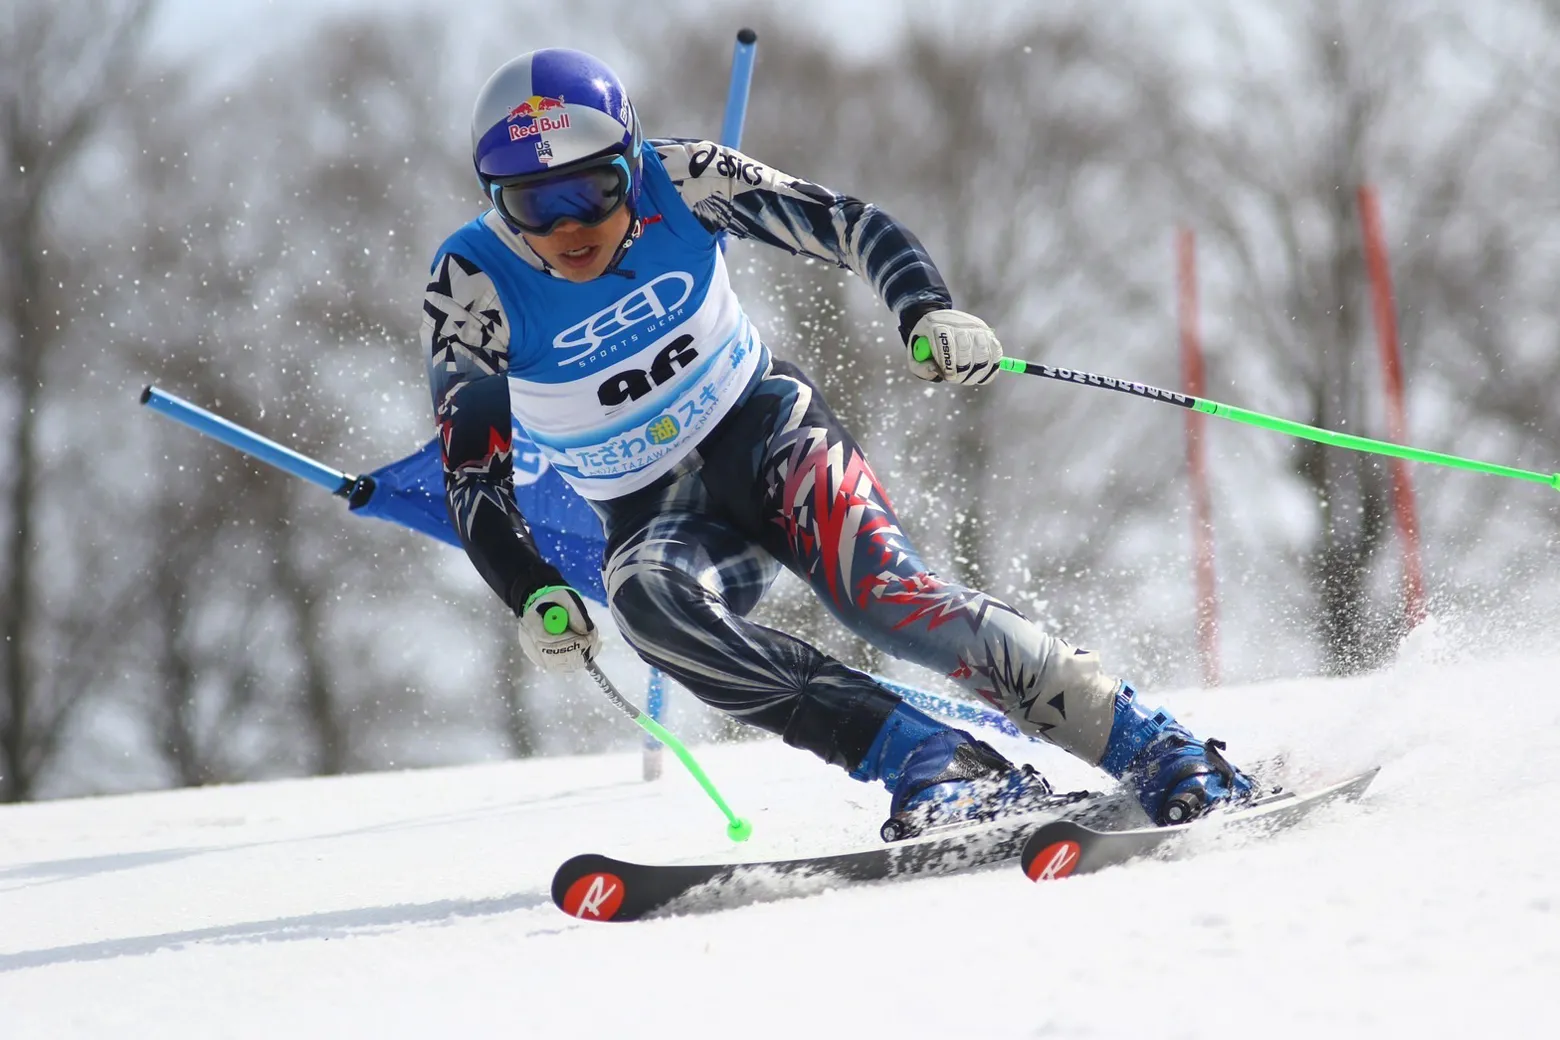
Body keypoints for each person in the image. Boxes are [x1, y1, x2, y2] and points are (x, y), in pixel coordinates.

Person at [421, 47, 1256, 838]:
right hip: (657, 511)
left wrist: (924, 309)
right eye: (534, 203)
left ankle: (1154, 745)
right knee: (644, 601)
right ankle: (936, 760)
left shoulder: (685, 178)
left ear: (632, 163)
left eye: (593, 191)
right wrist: (531, 590)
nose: (569, 227)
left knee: (887, 599)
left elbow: (850, 225)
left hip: (768, 438)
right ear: (496, 200)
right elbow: (474, 473)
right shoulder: (473, 281)